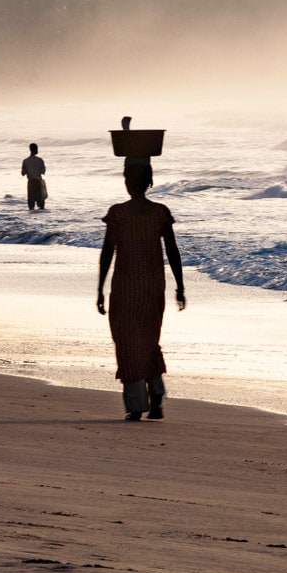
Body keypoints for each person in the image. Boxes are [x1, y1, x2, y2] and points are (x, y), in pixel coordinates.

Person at [97, 160, 185, 420]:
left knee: (126, 341)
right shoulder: (160, 212)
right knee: (148, 339)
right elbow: (173, 251)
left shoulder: (118, 213)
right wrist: (180, 287)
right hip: (153, 286)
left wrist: (100, 289)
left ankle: (137, 405)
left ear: (127, 183)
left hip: (125, 287)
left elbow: (107, 252)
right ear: (150, 183)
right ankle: (155, 391)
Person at [20, 142, 46, 211]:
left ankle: (30, 220)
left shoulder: (25, 161)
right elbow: (43, 171)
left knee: (31, 204)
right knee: (41, 204)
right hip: (38, 182)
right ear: (36, 149)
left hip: (30, 182)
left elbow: (23, 173)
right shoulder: (40, 160)